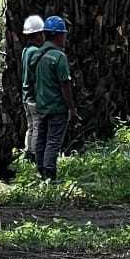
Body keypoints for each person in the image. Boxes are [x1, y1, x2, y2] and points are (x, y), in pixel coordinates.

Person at [30, 15, 77, 180]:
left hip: (41, 105)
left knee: (41, 140)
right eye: (63, 34)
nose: (65, 38)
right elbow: (65, 85)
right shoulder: (59, 57)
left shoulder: (37, 55)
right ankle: (49, 174)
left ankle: (40, 170)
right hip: (57, 106)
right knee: (53, 142)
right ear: (58, 35)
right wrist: (71, 108)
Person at [19, 14, 46, 163]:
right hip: (34, 96)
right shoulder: (35, 51)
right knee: (37, 126)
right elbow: (37, 76)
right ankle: (36, 156)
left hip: (26, 95)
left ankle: (29, 153)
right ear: (37, 35)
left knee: (31, 126)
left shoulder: (26, 50)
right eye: (42, 34)